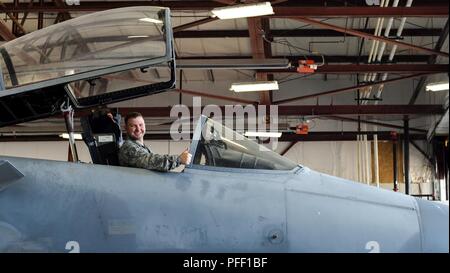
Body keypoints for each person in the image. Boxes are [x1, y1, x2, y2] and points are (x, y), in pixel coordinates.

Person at [118, 112, 192, 172]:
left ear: (145, 126)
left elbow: (156, 169)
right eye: (133, 126)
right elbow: (151, 161)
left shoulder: (143, 148)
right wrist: (179, 159)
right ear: (126, 128)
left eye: (140, 125)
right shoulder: (128, 148)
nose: (138, 129)